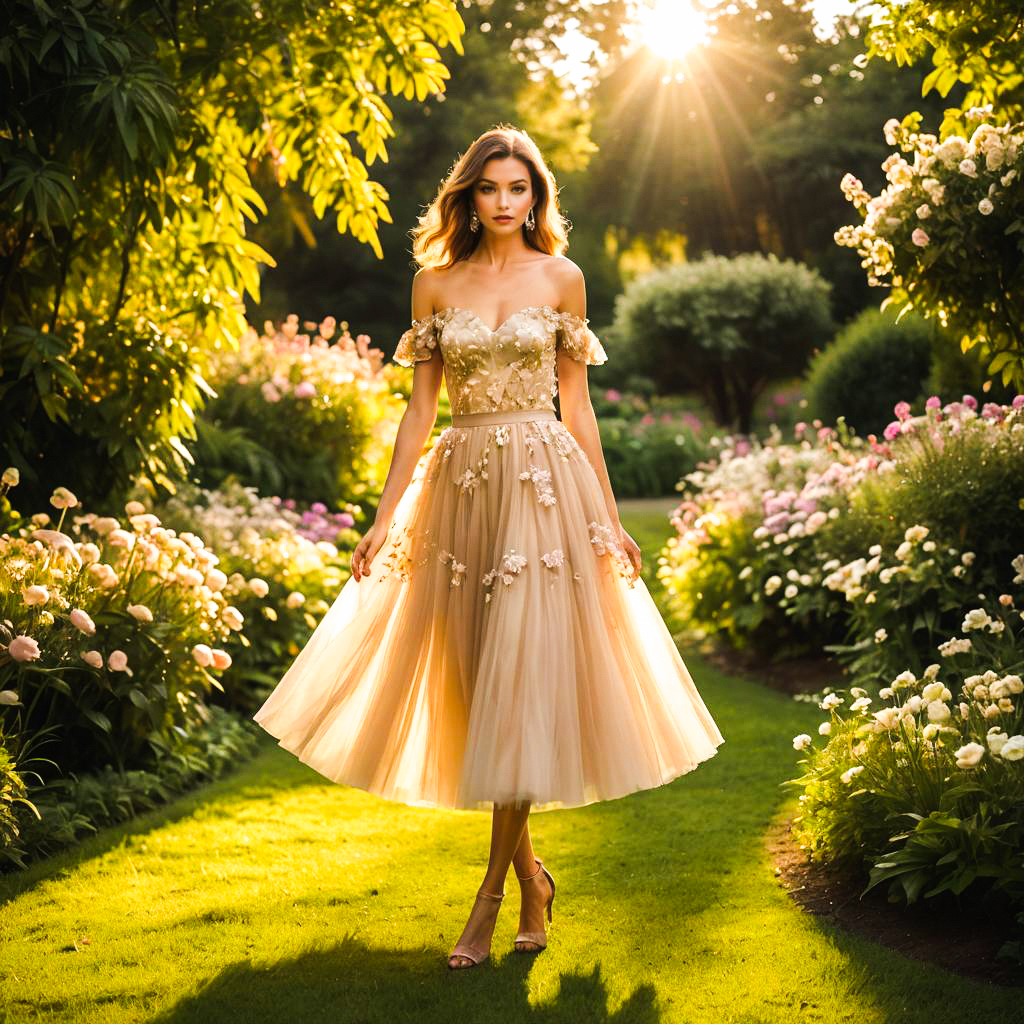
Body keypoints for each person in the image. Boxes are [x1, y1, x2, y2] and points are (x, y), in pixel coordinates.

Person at [252, 125, 725, 971]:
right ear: (467, 197)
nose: (505, 202)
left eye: (520, 189)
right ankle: (536, 880)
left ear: (537, 198)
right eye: (490, 188)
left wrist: (609, 515)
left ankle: (493, 900)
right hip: (459, 490)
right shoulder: (434, 285)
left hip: (543, 488)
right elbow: (417, 412)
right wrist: (383, 515)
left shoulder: (564, 278)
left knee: (522, 680)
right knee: (479, 690)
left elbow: (577, 409)